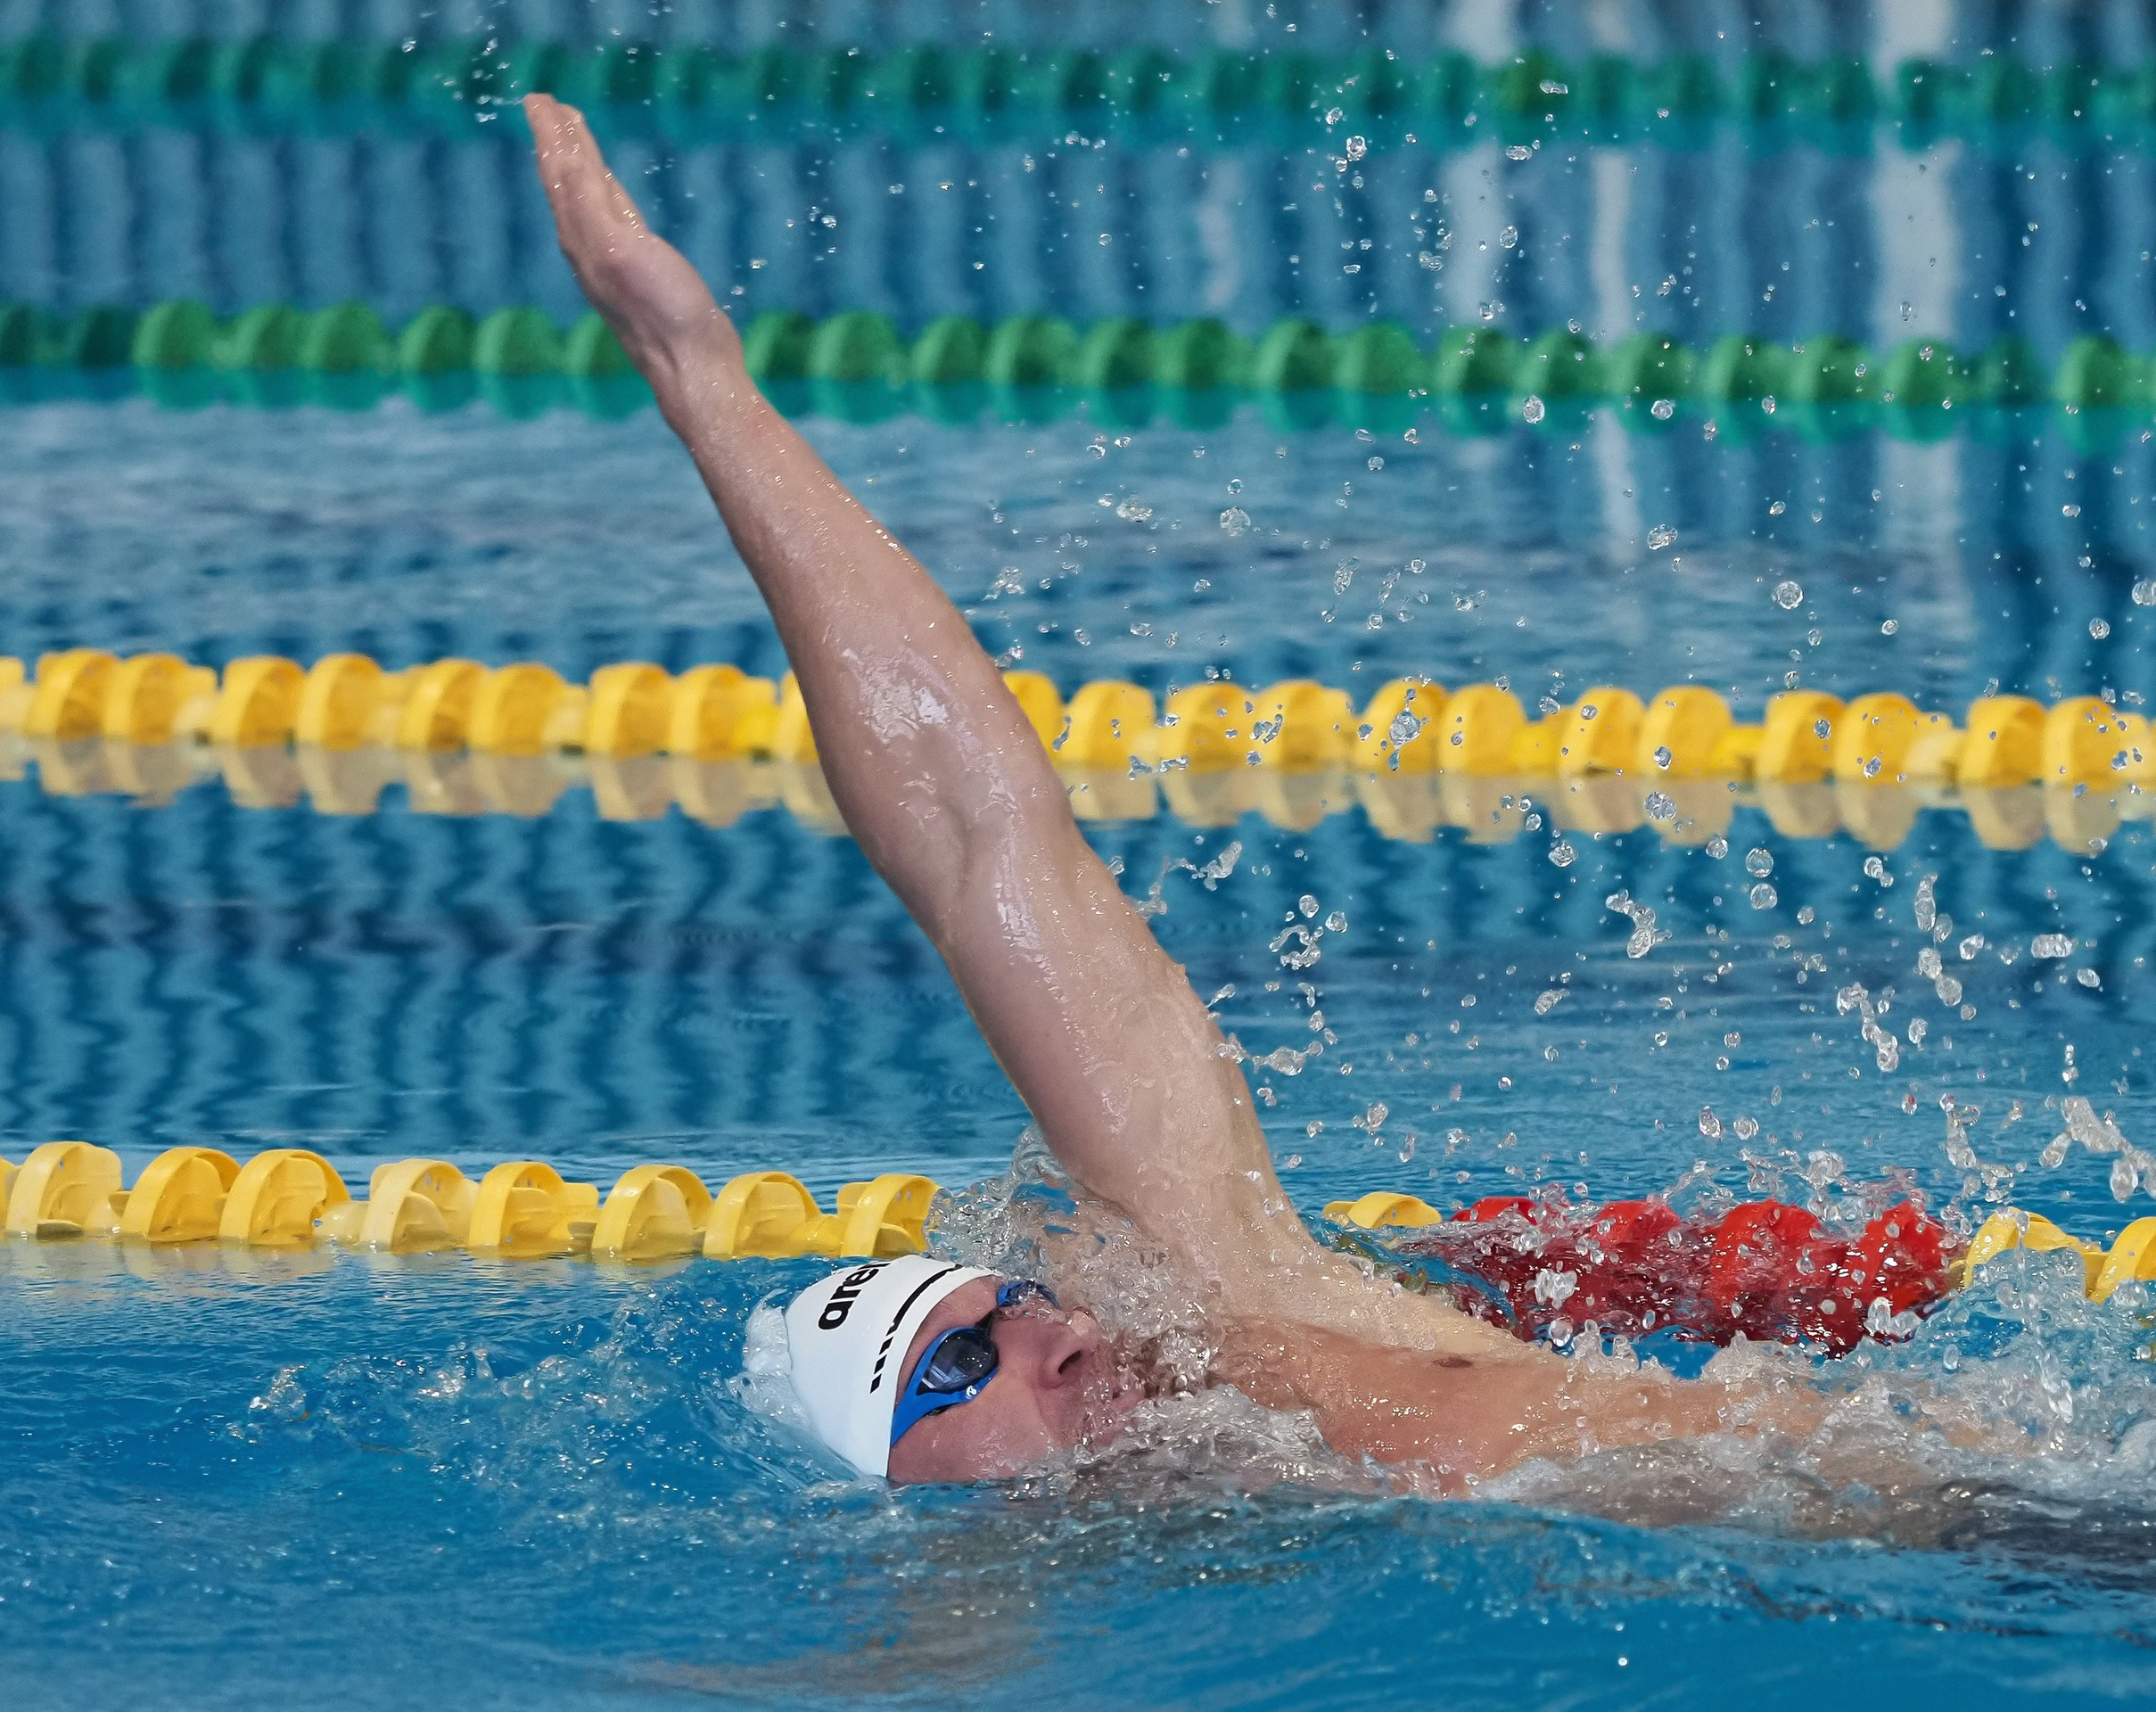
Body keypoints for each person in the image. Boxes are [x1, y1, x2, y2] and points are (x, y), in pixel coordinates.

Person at [523, 95, 1836, 1489]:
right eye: (960, 1369)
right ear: (904, 1495)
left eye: (1006, 1307)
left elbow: (977, 836)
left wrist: (699, 378)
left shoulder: (1232, 1313)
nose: (1065, 1334)